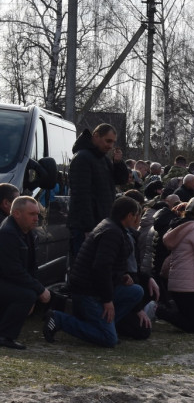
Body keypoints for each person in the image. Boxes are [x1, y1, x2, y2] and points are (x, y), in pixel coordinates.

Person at [44, 197, 144, 348]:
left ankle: (104, 325)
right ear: (129, 215)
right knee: (108, 339)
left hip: (91, 287)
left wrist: (121, 276)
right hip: (88, 291)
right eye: (136, 214)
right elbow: (101, 268)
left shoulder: (110, 227)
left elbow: (106, 265)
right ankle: (60, 319)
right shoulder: (113, 232)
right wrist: (107, 300)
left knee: (136, 291)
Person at [157, 197, 194, 334]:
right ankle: (159, 310)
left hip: (178, 282)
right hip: (191, 285)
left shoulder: (179, 226)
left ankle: (174, 307)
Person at [67, 124, 128, 256]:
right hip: (87, 227)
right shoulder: (82, 158)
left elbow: (120, 180)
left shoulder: (103, 159)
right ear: (96, 136)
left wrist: (118, 163)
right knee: (84, 268)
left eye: (113, 142)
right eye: (108, 141)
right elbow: (81, 195)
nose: (111, 146)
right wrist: (88, 228)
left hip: (100, 223)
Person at [0, 197, 51, 349]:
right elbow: (12, 270)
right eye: (32, 214)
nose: (36, 218)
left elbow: (31, 267)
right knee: (26, 295)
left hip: (8, 280)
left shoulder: (28, 232)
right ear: (16, 213)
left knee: (32, 293)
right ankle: (5, 335)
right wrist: (38, 289)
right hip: (5, 278)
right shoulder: (7, 234)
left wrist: (37, 290)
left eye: (37, 214)